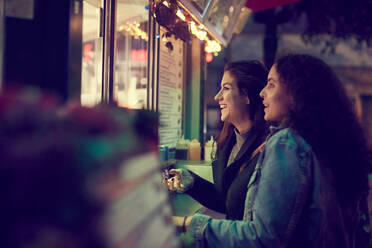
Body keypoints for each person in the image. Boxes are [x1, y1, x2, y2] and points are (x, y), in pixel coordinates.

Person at [182, 54, 371, 248]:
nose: (262, 92)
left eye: (271, 84)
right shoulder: (322, 142)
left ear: (295, 93)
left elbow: (264, 238)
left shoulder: (287, 143)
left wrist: (189, 224)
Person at [166, 60, 269, 220]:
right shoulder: (228, 142)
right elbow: (225, 201)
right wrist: (191, 181)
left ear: (247, 96)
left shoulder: (267, 147)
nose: (217, 97)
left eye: (226, 88)